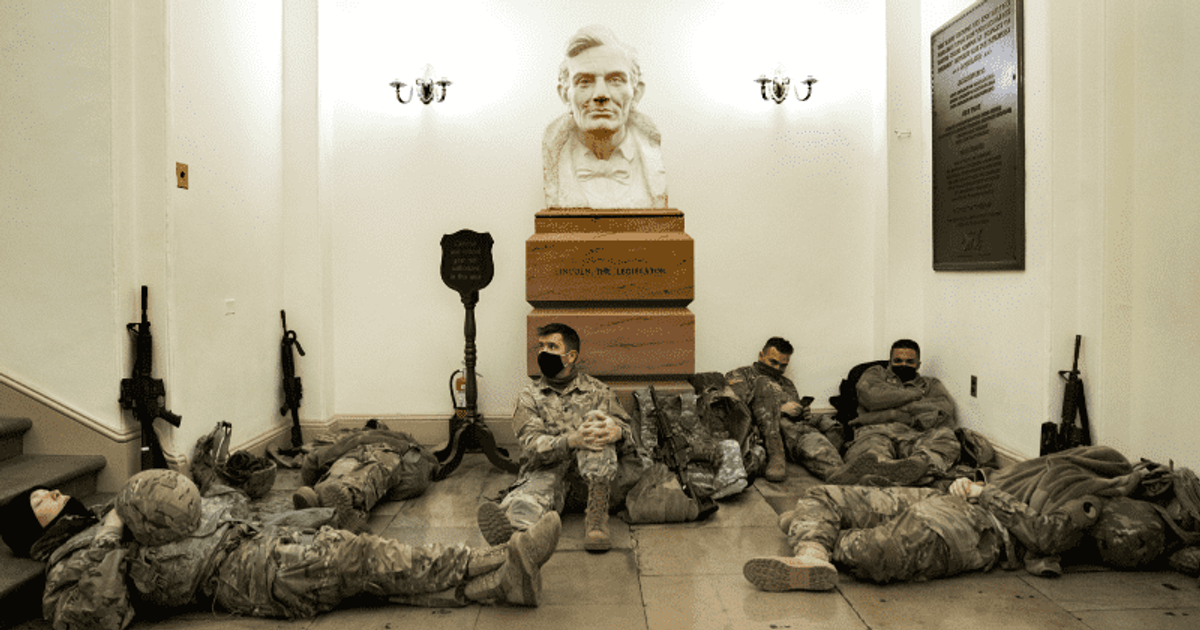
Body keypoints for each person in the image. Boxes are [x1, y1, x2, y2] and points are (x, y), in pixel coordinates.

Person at [0, 469, 562, 630]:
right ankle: (497, 558)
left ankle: (497, 583)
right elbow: (89, 618)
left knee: (369, 575)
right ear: (35, 532)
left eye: (46, 488)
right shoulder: (72, 558)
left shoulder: (108, 512)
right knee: (362, 559)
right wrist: (111, 534)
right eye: (40, 501)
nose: (51, 490)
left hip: (256, 540)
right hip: (244, 574)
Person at [742, 476, 1107, 591]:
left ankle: (812, 531)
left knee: (879, 553)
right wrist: (970, 482)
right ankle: (811, 551)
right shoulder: (1074, 466)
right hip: (948, 497)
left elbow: (1046, 537)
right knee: (825, 494)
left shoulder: (1097, 505)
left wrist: (987, 494)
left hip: (975, 529)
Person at [477, 322, 640, 553]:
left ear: (570, 356)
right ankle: (515, 538)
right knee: (522, 505)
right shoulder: (528, 397)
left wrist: (618, 431)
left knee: (597, 434)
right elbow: (531, 445)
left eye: (552, 346)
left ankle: (596, 522)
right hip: (548, 473)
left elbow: (629, 432)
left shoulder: (598, 391)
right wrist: (572, 440)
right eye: (541, 346)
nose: (544, 352)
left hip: (595, 482)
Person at [543, 25, 667, 209]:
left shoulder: (649, 156)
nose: (601, 95)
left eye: (615, 80)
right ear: (564, 94)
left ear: (637, 92)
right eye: (584, 82)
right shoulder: (555, 154)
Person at [829, 339, 959, 485]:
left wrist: (894, 412)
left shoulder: (930, 384)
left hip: (916, 433)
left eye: (910, 362)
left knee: (947, 440)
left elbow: (944, 411)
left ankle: (909, 469)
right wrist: (915, 397)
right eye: (898, 360)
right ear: (889, 362)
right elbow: (872, 398)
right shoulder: (875, 373)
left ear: (918, 365)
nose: (904, 365)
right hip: (876, 431)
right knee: (869, 455)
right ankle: (906, 476)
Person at [726, 337, 844, 483]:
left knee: (817, 443)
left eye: (782, 365)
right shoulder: (739, 375)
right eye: (773, 362)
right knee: (764, 385)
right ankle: (774, 455)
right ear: (761, 355)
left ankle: (843, 474)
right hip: (758, 433)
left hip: (790, 433)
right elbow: (738, 408)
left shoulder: (787, 384)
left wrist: (802, 412)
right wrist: (779, 409)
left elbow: (795, 420)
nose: (777, 368)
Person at [291, 420, 438, 531]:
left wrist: (310, 479)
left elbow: (313, 459)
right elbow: (428, 460)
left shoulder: (350, 437)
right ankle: (347, 509)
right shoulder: (399, 437)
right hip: (387, 454)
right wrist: (432, 466)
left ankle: (322, 500)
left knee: (344, 470)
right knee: (374, 472)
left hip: (351, 455)